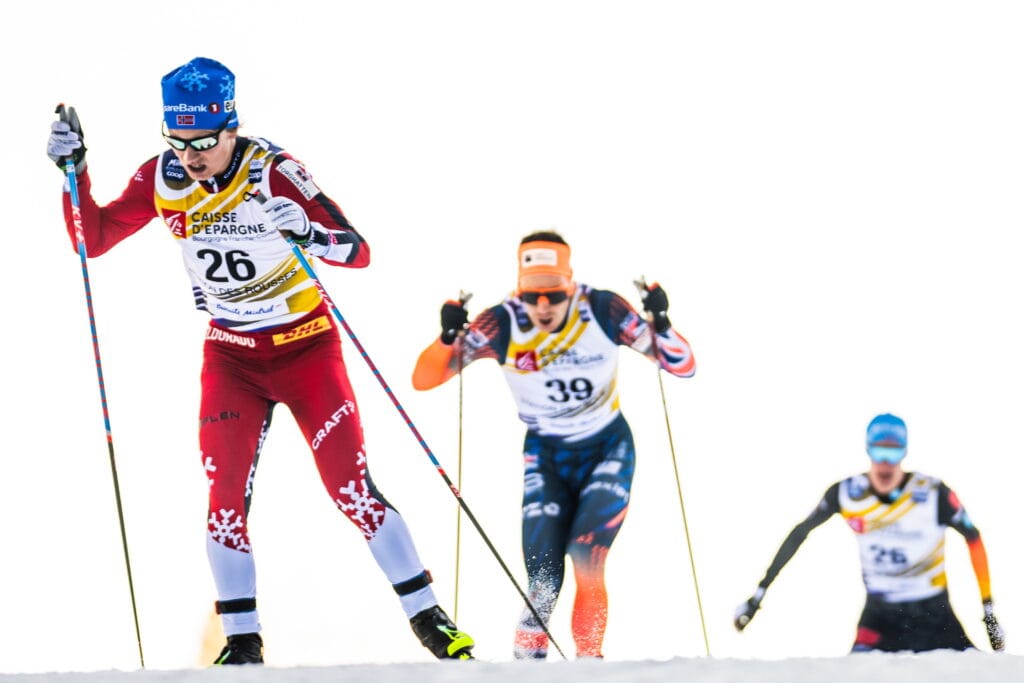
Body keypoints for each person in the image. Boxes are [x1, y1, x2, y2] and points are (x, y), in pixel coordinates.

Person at [47, 56, 474, 665]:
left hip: (305, 348)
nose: (190, 157)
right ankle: (242, 644)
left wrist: (309, 231)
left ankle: (432, 624)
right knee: (223, 496)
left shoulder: (273, 171)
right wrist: (75, 172)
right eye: (178, 141)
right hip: (232, 357)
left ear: (231, 128)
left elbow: (359, 251)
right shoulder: (162, 177)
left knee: (350, 487)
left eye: (203, 143)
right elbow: (93, 237)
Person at [411, 230, 696, 659]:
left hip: (607, 449)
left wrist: (663, 323)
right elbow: (425, 380)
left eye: (554, 295)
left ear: (571, 285)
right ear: (519, 290)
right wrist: (447, 336)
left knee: (586, 556)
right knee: (542, 580)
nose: (543, 307)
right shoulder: (502, 321)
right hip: (545, 456)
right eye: (533, 296)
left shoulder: (602, 308)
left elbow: (683, 366)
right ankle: (529, 667)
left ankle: (588, 664)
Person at [734, 413, 1005, 653]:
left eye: (893, 452)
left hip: (934, 615)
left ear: (905, 452)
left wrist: (989, 613)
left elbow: (973, 537)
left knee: (982, 673)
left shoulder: (933, 493)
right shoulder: (848, 493)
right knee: (856, 674)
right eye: (879, 451)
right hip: (880, 616)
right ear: (867, 450)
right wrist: (759, 594)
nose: (885, 462)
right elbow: (799, 534)